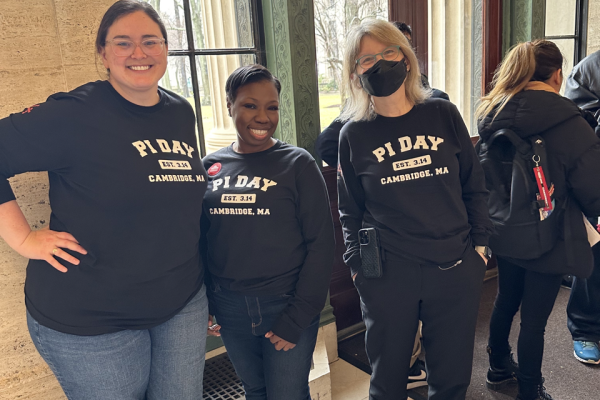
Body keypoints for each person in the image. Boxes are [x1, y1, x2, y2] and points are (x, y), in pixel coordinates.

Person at [0, 1, 209, 399]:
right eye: (123, 43)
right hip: (94, 321)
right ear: (102, 53)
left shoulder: (180, 112)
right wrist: (24, 239)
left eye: (151, 41)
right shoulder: (74, 113)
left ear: (166, 49)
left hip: (181, 303)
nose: (139, 53)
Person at [337, 19, 492, 400]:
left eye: (389, 52)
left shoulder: (442, 114)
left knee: (452, 380)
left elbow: (473, 184)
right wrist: (359, 267)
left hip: (454, 266)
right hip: (389, 273)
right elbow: (349, 211)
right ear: (355, 74)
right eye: (366, 59)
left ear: (406, 58)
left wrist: (480, 248)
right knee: (387, 382)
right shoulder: (353, 135)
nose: (380, 63)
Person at [201, 64, 335, 400]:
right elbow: (200, 242)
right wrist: (205, 302)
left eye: (271, 107)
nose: (262, 117)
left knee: (287, 394)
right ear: (229, 104)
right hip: (229, 306)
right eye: (250, 105)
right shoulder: (209, 167)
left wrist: (300, 315)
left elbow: (321, 245)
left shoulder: (298, 164)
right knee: (255, 391)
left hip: (286, 303)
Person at [476, 40, 600, 400]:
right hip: (552, 231)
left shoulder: (490, 112)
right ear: (557, 75)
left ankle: (498, 368)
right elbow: (593, 189)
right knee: (534, 320)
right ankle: (531, 389)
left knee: (505, 299)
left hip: (503, 225)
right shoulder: (568, 122)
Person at [564, 49, 600, 364]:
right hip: (597, 178)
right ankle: (585, 329)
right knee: (595, 255)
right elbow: (577, 125)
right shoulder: (589, 69)